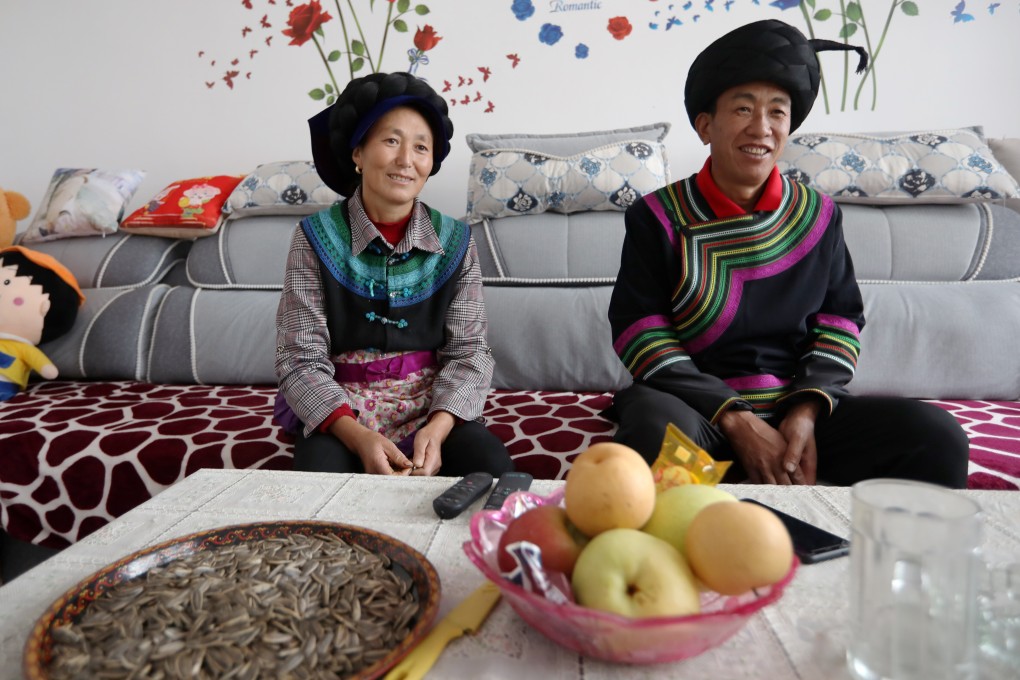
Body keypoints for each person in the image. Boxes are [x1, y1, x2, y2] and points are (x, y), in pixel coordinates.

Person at [607, 20, 970, 488]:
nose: (761, 127)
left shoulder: (817, 215)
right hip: (695, 411)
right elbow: (640, 331)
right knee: (652, 432)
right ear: (705, 126)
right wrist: (736, 420)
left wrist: (806, 411)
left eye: (777, 113)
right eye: (742, 109)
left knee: (936, 436)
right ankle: (699, 533)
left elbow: (840, 321)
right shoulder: (656, 216)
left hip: (794, 408)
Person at [275, 72, 514, 477]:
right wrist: (357, 436)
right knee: (317, 490)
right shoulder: (313, 238)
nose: (407, 160)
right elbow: (300, 358)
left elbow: (469, 351)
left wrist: (438, 429)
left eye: (422, 147)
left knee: (492, 469)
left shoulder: (456, 241)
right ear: (358, 152)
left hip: (430, 406)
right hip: (341, 412)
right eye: (391, 141)